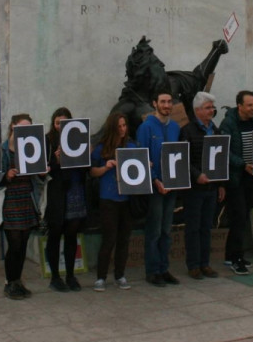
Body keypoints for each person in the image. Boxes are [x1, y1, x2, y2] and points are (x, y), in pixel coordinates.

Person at [137, 90, 182, 287]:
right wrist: (156, 180)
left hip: (171, 187)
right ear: (155, 103)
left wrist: (175, 181)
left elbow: (177, 156)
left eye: (169, 102)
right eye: (162, 101)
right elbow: (143, 158)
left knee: (166, 231)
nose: (166, 105)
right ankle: (152, 270)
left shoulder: (175, 127)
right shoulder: (146, 127)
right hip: (155, 187)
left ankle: (164, 268)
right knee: (154, 231)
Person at [218, 90, 253, 274]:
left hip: (250, 178)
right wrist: (242, 164)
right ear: (240, 106)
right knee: (238, 217)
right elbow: (224, 151)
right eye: (250, 105)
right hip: (235, 178)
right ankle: (236, 258)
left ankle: (231, 255)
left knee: (242, 217)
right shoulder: (228, 124)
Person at [43, 107, 87, 292]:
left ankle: (70, 275)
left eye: (64, 123)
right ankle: (55, 276)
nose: (61, 126)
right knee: (55, 233)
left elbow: (86, 167)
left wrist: (86, 153)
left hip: (74, 188)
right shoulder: (48, 141)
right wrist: (55, 160)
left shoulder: (78, 137)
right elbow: (41, 167)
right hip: (56, 191)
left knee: (72, 234)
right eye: (57, 123)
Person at [179, 91, 222, 280]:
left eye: (212, 107)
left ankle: (205, 263)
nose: (211, 110)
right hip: (195, 189)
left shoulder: (215, 129)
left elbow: (221, 158)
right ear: (197, 111)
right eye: (207, 108)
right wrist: (197, 176)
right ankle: (194, 265)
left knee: (207, 227)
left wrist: (221, 184)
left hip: (212, 188)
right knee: (193, 228)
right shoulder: (187, 131)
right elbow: (183, 159)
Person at [90, 112, 135, 291]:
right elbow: (92, 171)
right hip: (108, 197)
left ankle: (120, 275)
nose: (123, 129)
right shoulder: (102, 148)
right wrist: (105, 167)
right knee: (109, 238)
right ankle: (101, 277)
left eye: (124, 125)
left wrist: (145, 166)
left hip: (127, 197)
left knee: (124, 239)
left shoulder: (131, 145)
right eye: (119, 126)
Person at [0, 113, 41, 299]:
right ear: (13, 127)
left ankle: (17, 280)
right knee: (14, 243)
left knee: (23, 242)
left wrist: (42, 171)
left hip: (26, 197)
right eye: (22, 127)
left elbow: (38, 177)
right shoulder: (3, 150)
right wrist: (6, 175)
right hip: (10, 199)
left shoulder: (31, 147)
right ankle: (10, 281)